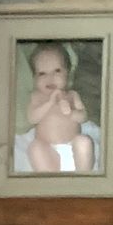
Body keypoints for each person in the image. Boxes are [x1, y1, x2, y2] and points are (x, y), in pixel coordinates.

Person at [20, 42, 97, 174]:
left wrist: (73, 114)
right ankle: (52, 181)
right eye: (42, 73)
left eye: (57, 71)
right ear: (34, 78)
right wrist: (50, 102)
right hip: (47, 148)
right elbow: (32, 118)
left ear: (67, 73)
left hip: (73, 145)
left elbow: (83, 116)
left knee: (84, 141)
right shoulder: (37, 97)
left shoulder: (72, 95)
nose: (50, 77)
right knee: (34, 148)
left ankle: (82, 177)